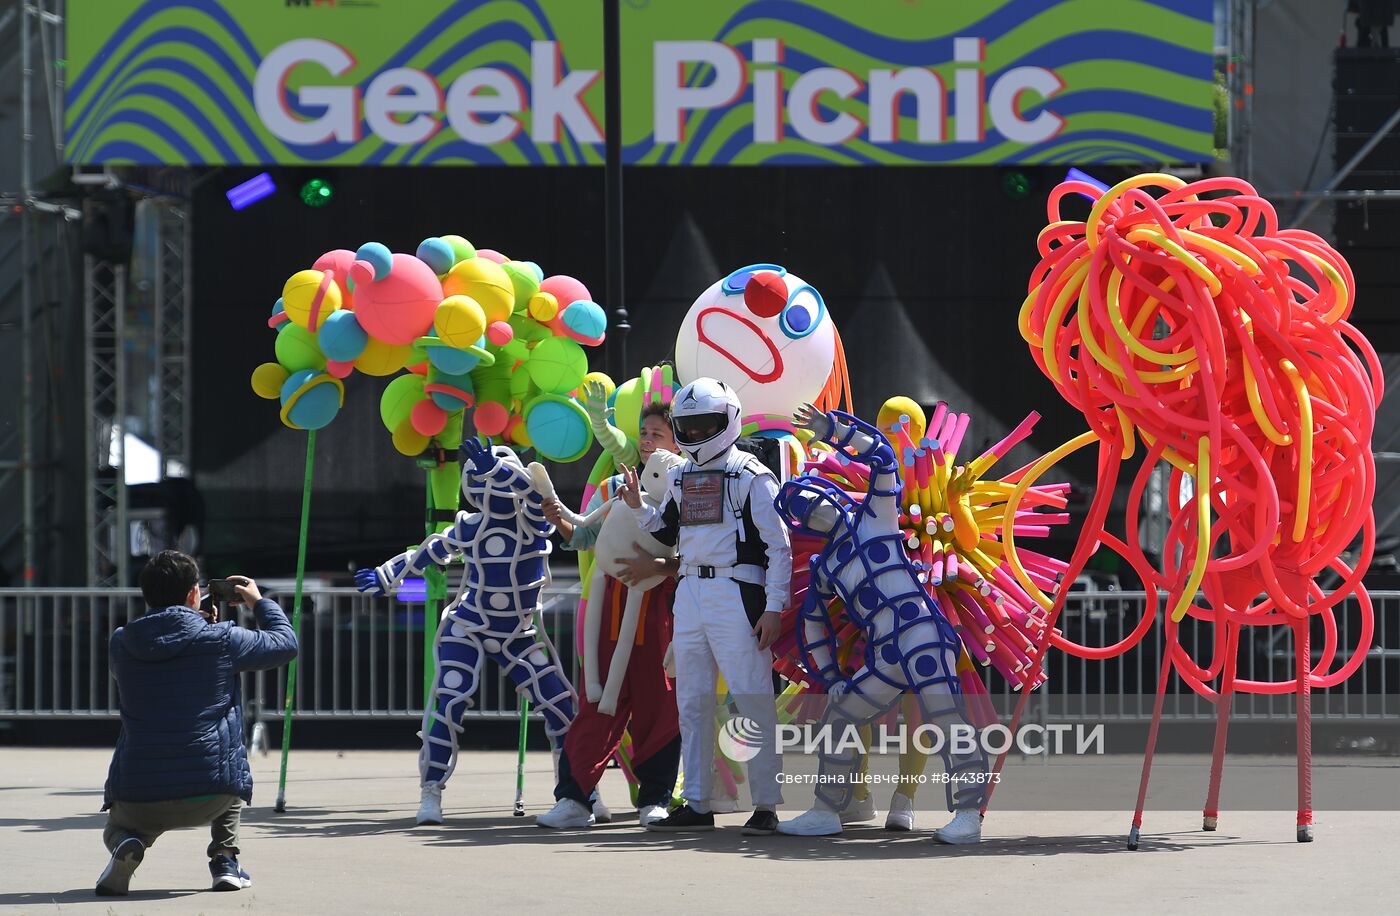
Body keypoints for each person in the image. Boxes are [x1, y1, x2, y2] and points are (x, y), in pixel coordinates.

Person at [356, 440, 575, 826]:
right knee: (449, 699)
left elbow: (534, 491)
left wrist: (496, 467)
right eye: (480, 478)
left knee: (562, 707)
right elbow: (428, 552)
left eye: (495, 477)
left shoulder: (535, 523)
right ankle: (431, 793)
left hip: (519, 634)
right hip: (468, 626)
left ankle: (576, 794)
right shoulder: (470, 526)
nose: (490, 486)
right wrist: (385, 575)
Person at [624, 377, 792, 836]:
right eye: (688, 427)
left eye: (705, 425)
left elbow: (779, 546)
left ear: (729, 421)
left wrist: (774, 606)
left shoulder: (751, 474)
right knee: (692, 702)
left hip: (737, 592)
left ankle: (766, 805)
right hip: (691, 594)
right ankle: (697, 802)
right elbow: (667, 529)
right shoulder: (680, 474)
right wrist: (639, 506)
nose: (696, 435)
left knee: (752, 697)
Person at [97, 550, 298, 896]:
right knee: (227, 759)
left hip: (139, 794)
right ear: (194, 594)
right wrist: (258, 602)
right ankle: (224, 860)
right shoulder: (221, 639)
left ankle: (128, 843)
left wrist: (198, 627)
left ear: (146, 594)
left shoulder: (122, 642)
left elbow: (167, 652)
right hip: (211, 793)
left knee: (116, 827)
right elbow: (285, 643)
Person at [536, 399, 684, 829]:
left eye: (657, 433)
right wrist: (558, 519)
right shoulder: (612, 486)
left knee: (661, 703)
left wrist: (656, 568)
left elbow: (697, 551)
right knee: (597, 701)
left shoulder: (688, 488)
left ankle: (655, 798)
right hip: (612, 609)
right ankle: (574, 799)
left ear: (677, 441)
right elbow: (582, 538)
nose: (647, 440)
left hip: (661, 611)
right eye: (644, 432)